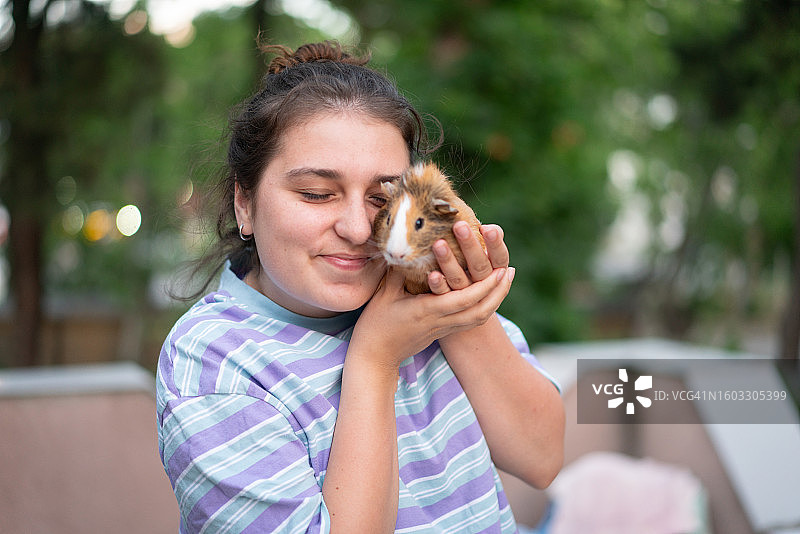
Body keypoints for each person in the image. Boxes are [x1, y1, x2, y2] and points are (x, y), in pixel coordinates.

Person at [157, 41, 564, 533]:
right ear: (245, 203)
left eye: (383, 197)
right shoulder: (215, 360)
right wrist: (376, 357)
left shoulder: (413, 289)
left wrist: (459, 302)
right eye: (316, 194)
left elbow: (542, 457)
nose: (355, 227)